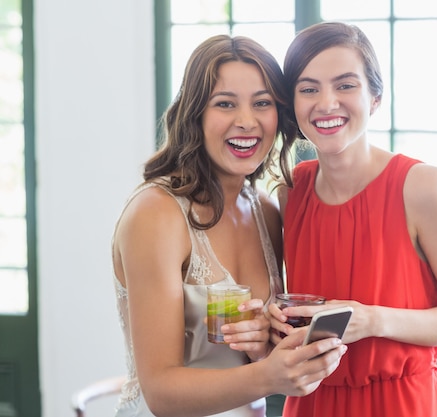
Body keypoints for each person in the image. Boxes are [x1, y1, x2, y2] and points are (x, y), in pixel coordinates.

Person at [111, 34, 347, 417]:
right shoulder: (155, 214)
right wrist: (271, 376)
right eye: (225, 104)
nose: (246, 122)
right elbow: (161, 393)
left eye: (262, 103)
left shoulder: (267, 211)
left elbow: (252, 360)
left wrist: (263, 348)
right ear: (195, 114)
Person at [269, 22, 437, 417]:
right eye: (309, 88)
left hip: (403, 404)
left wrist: (370, 320)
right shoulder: (290, 192)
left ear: (375, 98)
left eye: (346, 85)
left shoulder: (421, 186)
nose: (327, 103)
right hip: (311, 403)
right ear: (292, 104)